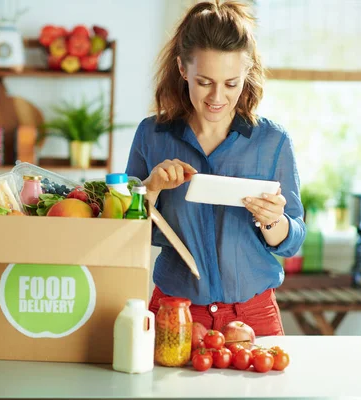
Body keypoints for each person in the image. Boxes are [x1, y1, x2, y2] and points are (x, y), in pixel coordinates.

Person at [125, 0, 306, 336]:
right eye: (204, 82)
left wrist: (273, 221)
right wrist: (149, 190)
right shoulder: (152, 135)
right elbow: (124, 233)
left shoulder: (272, 141)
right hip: (175, 312)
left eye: (231, 83)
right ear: (183, 69)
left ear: (247, 73)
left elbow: (293, 241)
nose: (217, 98)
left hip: (254, 315)